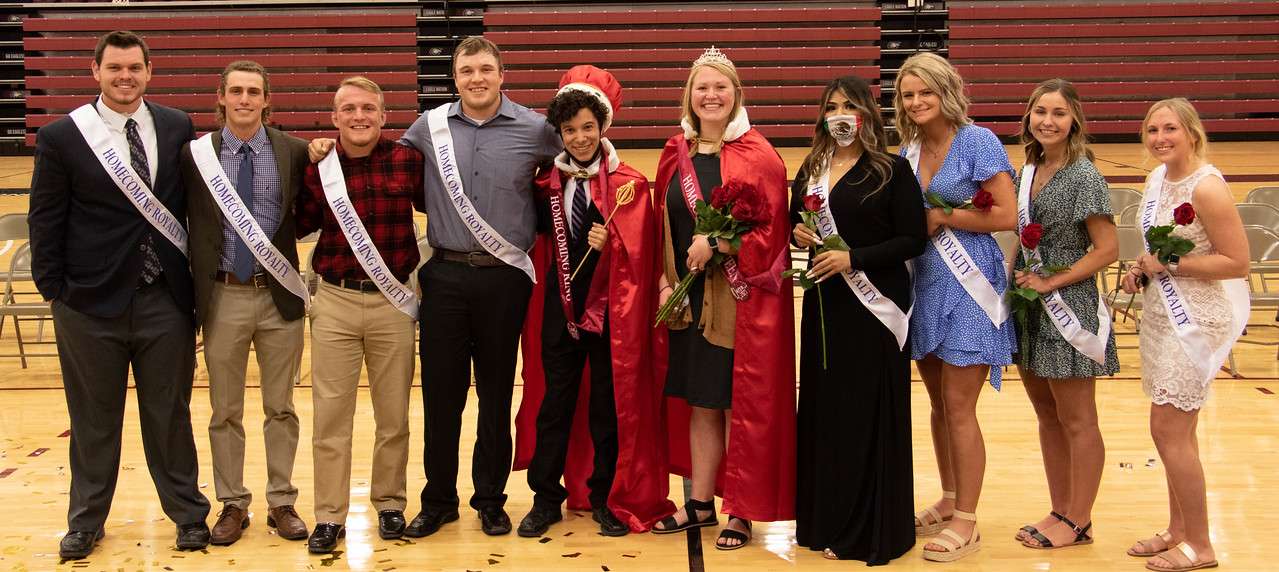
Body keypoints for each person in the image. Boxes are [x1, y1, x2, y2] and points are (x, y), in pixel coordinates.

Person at [28, 30, 210, 559]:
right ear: (95, 71)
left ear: (149, 71)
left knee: (169, 414)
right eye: (114, 68)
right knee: (92, 419)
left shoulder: (177, 125)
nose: (125, 77)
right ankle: (85, 521)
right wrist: (54, 290)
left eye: (134, 67)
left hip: (163, 299)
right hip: (88, 304)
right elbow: (46, 218)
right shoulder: (63, 136)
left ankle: (187, 515)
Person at [396, 36, 562, 538]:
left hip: (504, 278)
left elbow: (583, 158)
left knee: (494, 394)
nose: (476, 79)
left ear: (501, 74)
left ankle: (490, 498)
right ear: (455, 76)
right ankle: (439, 499)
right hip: (444, 275)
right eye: (466, 70)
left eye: (485, 69)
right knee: (441, 396)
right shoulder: (430, 127)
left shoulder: (536, 129)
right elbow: (385, 163)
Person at [513, 65, 674, 538]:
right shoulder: (545, 183)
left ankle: (605, 497)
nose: (580, 138)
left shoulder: (628, 183)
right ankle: (545, 497)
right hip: (558, 313)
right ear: (558, 132)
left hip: (610, 319)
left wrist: (616, 243)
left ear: (603, 126)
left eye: (588, 127)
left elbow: (643, 255)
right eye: (569, 130)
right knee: (553, 405)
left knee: (606, 408)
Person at [648, 47, 795, 550]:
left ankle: (741, 510)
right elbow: (662, 228)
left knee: (737, 406)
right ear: (689, 95)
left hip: (740, 303)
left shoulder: (760, 155)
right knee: (701, 405)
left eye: (720, 87)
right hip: (688, 304)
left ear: (736, 95)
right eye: (702, 87)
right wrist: (666, 279)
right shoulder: (675, 153)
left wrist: (721, 243)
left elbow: (774, 238)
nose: (711, 96)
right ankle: (701, 504)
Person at [790, 76, 925, 564]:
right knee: (829, 415)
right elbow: (793, 221)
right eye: (832, 106)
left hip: (876, 309)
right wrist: (800, 232)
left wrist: (855, 259)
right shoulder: (812, 168)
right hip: (827, 308)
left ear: (867, 112)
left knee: (867, 414)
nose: (840, 113)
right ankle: (826, 520)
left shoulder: (890, 170)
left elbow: (913, 239)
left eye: (849, 105)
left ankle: (870, 528)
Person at [179, 60, 310, 546]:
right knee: (224, 409)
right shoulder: (194, 156)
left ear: (267, 99)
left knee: (281, 407)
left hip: (277, 296)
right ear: (221, 97)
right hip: (223, 295)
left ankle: (283, 502)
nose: (244, 100)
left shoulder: (294, 151)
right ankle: (232, 502)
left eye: (254, 92)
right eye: (236, 91)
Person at [892, 52, 1017, 562]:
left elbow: (1007, 213)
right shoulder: (906, 151)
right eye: (908, 94)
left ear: (947, 92)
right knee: (939, 405)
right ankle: (948, 496)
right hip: (924, 284)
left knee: (961, 408)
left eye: (926, 92)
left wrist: (943, 215)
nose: (917, 102)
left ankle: (967, 519)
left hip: (971, 283)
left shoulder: (979, 141)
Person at [295, 76, 425, 554]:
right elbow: (299, 221)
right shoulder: (318, 167)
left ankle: (390, 502)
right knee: (332, 417)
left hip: (393, 302)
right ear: (334, 118)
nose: (359, 116)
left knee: (394, 416)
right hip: (335, 301)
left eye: (368, 108)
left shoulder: (409, 160)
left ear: (384, 115)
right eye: (348, 109)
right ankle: (329, 515)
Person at [1121, 98, 1249, 572]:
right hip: (1161, 314)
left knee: (1168, 429)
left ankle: (1202, 544)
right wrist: (1144, 270)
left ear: (1191, 131)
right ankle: (1178, 530)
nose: (1159, 138)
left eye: (1170, 128)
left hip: (1198, 319)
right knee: (1178, 434)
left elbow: (1237, 263)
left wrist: (1169, 264)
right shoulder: (1157, 180)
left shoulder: (1209, 188)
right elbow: (1159, 252)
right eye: (1152, 129)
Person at [1009, 79, 1119, 550]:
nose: (1047, 121)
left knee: (1078, 419)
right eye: (1040, 112)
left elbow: (1108, 249)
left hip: (1067, 310)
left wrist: (1053, 281)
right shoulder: (1030, 168)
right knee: (1047, 415)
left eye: (1057, 113)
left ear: (1074, 119)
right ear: (1029, 117)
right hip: (1030, 308)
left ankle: (1080, 519)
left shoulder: (1082, 174)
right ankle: (1060, 509)